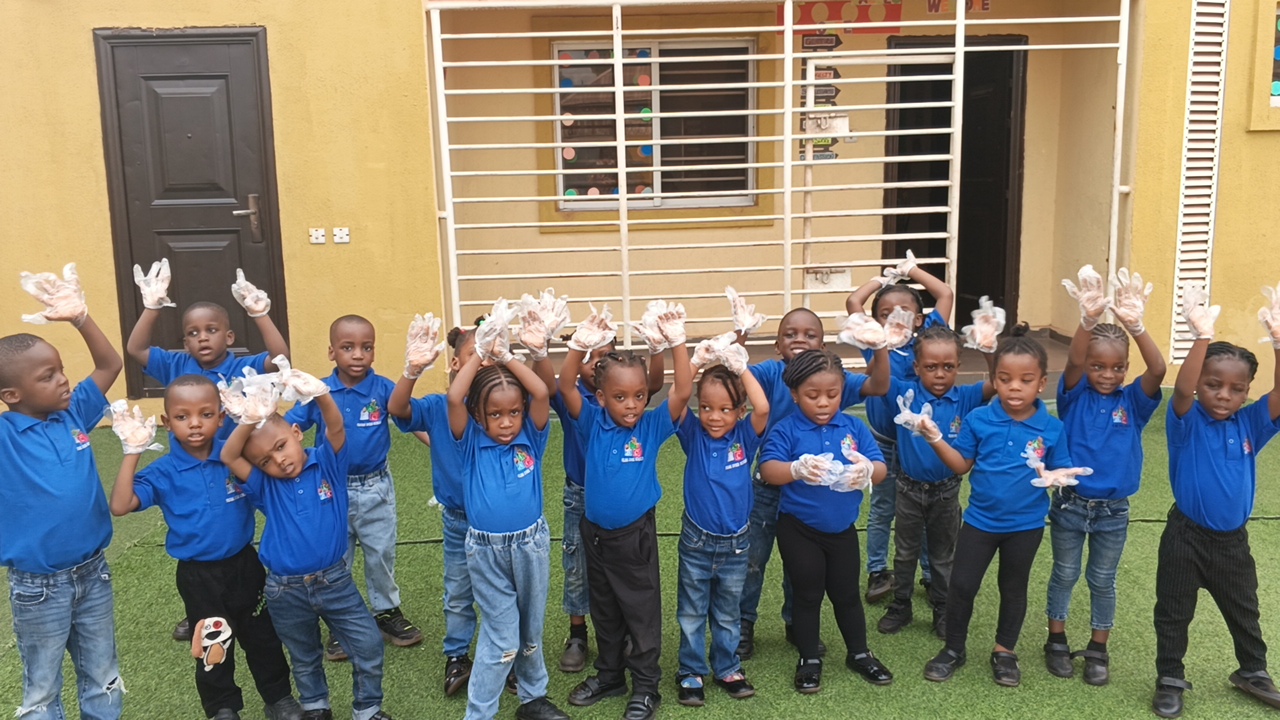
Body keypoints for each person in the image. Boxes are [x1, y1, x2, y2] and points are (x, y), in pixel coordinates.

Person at [110, 375, 301, 720]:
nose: (195, 423)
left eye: (206, 414)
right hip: (199, 577)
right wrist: (132, 452)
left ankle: (279, 698)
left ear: (221, 417)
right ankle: (222, 708)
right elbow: (121, 505)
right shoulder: (165, 472)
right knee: (214, 645)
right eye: (182, 417)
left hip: (245, 565)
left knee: (263, 638)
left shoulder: (234, 456)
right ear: (168, 422)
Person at [909, 324, 1087, 688]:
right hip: (979, 522)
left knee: (1014, 587)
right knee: (961, 585)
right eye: (1004, 379)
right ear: (994, 380)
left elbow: (1062, 467)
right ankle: (953, 649)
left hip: (1026, 525)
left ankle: (1005, 651)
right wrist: (936, 438)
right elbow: (960, 465)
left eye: (1025, 379)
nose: (1014, 387)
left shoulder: (1051, 428)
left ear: (1041, 383)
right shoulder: (979, 419)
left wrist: (1059, 477)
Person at [221, 367, 393, 720]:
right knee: (304, 654)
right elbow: (229, 457)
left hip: (335, 581)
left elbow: (336, 426)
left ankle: (367, 708)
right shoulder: (264, 485)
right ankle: (316, 707)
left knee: (369, 644)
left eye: (281, 446)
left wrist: (320, 394)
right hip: (285, 590)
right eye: (266, 460)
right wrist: (251, 418)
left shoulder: (327, 464)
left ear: (297, 433)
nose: (279, 460)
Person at [1150, 284, 1280, 718]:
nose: (1224, 395)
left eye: (1235, 388)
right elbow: (1182, 390)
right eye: (1214, 384)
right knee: (1173, 612)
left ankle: (1253, 671)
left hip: (1232, 543)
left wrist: (1279, 342)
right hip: (1185, 537)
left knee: (1245, 609)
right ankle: (1170, 676)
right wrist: (1200, 336)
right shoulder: (1186, 420)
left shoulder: (1250, 424)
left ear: (1246, 392)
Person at [1, 263, 125, 719]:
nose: (63, 380)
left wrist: (80, 317)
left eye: (60, 370)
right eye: (47, 375)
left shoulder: (73, 415)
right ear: (12, 395)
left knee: (103, 676)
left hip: (93, 575)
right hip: (38, 588)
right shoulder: (5, 436)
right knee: (42, 690)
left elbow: (110, 364)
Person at [557, 302, 692, 720]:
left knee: (641, 611)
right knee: (606, 609)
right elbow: (563, 387)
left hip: (633, 538)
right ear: (600, 397)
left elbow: (683, 391)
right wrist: (578, 345)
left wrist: (677, 342)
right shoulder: (591, 421)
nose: (631, 404)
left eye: (637, 395)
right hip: (593, 534)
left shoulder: (651, 426)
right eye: (619, 397)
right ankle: (611, 674)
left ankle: (646, 687)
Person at [520, 289, 665, 674]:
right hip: (580, 496)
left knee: (623, 576)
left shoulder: (624, 403)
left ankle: (625, 636)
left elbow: (654, 384)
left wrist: (661, 346)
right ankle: (578, 634)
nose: (597, 361)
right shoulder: (583, 405)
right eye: (592, 356)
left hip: (625, 511)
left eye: (607, 354)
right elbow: (555, 385)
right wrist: (557, 349)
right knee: (578, 568)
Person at [736, 306, 890, 660]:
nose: (800, 340)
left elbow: (879, 384)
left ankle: (796, 624)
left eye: (810, 335)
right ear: (777, 345)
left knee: (801, 566)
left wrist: (879, 344)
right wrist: (739, 336)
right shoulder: (772, 373)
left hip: (817, 491)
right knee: (753, 560)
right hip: (769, 485)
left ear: (823, 345)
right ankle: (744, 624)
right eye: (790, 334)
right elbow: (735, 372)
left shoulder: (831, 377)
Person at [1044, 266, 1165, 686]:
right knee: (1064, 573)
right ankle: (1055, 640)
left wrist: (1136, 326)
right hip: (1070, 505)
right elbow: (1075, 360)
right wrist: (1086, 322)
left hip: (1114, 511)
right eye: (1099, 366)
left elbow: (1158, 370)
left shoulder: (1134, 401)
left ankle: (1098, 648)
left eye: (1117, 368)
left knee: (1102, 579)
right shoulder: (1073, 396)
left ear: (1125, 368)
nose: (1107, 375)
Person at [446, 320, 571, 720]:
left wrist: (506, 356)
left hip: (531, 544)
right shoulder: (470, 442)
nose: (505, 422)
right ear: (479, 417)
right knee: (502, 636)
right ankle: (479, 712)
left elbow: (540, 391)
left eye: (513, 413)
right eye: (495, 414)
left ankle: (532, 699)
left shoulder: (530, 436)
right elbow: (454, 397)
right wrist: (481, 354)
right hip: (485, 551)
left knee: (530, 631)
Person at [285, 315, 428, 661]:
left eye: (366, 347)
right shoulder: (319, 392)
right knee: (338, 558)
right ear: (332, 352)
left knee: (381, 554)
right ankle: (341, 623)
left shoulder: (382, 389)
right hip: (331, 491)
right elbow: (290, 427)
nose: (358, 355)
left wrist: (443, 446)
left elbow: (414, 423)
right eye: (348, 348)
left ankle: (386, 612)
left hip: (376, 488)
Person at [757, 348, 894, 694]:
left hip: (842, 530)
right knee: (807, 593)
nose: (822, 403)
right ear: (794, 394)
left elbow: (880, 469)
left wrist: (865, 470)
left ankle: (860, 653)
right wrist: (796, 469)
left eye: (832, 395)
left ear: (841, 392)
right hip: (798, 528)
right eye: (812, 395)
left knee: (847, 594)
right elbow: (768, 470)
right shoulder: (787, 429)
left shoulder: (852, 426)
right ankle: (809, 659)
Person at [387, 314, 494, 696]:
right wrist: (411, 370)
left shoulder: (503, 408)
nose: (484, 363)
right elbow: (398, 409)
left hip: (499, 522)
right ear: (454, 363)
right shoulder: (434, 408)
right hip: (458, 520)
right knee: (458, 592)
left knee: (503, 594)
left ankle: (507, 658)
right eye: (475, 355)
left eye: (491, 354)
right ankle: (457, 657)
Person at [845, 250, 954, 604]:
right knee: (882, 508)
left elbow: (946, 295)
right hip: (883, 444)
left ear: (920, 320)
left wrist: (913, 271)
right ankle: (878, 570)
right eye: (884, 314)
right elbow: (853, 301)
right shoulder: (874, 346)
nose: (893, 320)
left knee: (924, 509)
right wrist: (885, 278)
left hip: (921, 444)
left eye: (902, 313)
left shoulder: (929, 341)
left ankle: (926, 571)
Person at [875, 324, 994, 640]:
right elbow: (880, 379)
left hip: (946, 492)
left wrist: (988, 346)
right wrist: (879, 344)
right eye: (930, 367)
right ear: (916, 367)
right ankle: (901, 604)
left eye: (948, 367)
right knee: (904, 553)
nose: (940, 374)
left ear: (958, 366)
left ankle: (943, 607)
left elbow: (996, 383)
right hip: (908, 489)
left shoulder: (966, 397)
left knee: (943, 555)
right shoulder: (904, 393)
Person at [672, 345, 770, 707]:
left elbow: (763, 408)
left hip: (736, 546)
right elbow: (677, 398)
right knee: (692, 612)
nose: (715, 416)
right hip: (697, 544)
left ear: (738, 412)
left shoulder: (743, 436)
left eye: (725, 409)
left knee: (729, 613)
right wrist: (695, 362)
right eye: (708, 408)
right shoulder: (693, 434)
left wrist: (740, 367)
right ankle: (691, 671)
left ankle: (728, 667)